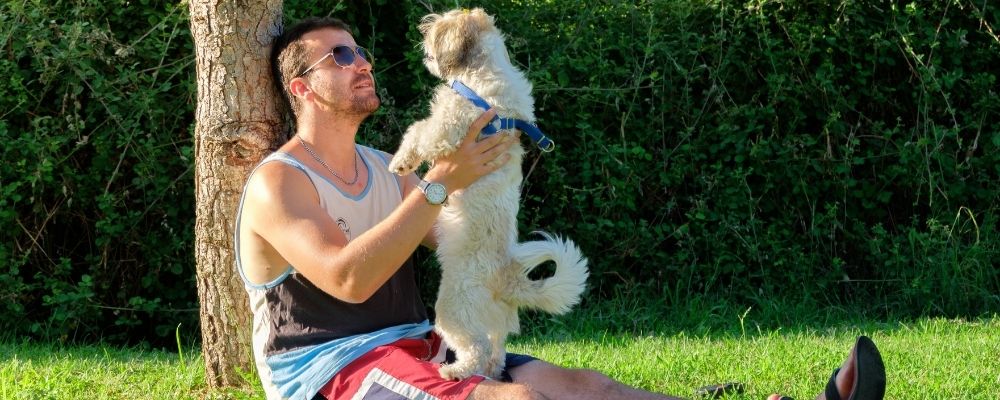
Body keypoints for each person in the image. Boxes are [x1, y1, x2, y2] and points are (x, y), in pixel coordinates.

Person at [235, 16, 887, 400]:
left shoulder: (382, 166)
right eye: (341, 55)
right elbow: (349, 277)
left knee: (584, 388)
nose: (363, 62)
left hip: (419, 346)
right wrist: (438, 183)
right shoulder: (280, 183)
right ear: (302, 88)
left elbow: (458, 243)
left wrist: (497, 215)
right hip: (333, 374)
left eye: (362, 50)